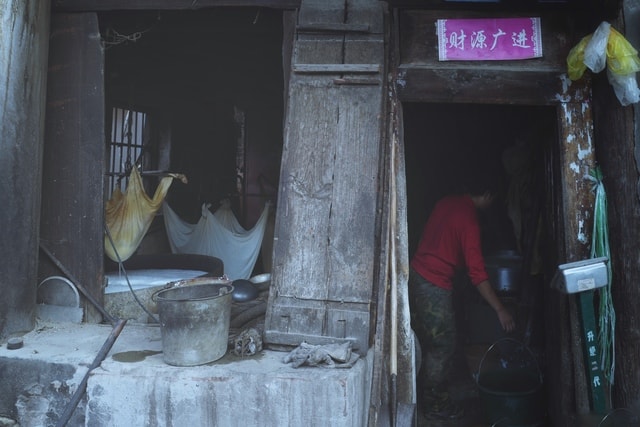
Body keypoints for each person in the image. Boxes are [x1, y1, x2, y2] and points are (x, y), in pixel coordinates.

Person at [409, 177, 516, 420]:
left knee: (425, 341)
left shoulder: (446, 202)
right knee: (442, 347)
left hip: (415, 275)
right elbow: (478, 274)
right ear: (488, 196)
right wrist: (500, 309)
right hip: (433, 285)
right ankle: (435, 406)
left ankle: (420, 394)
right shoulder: (469, 221)